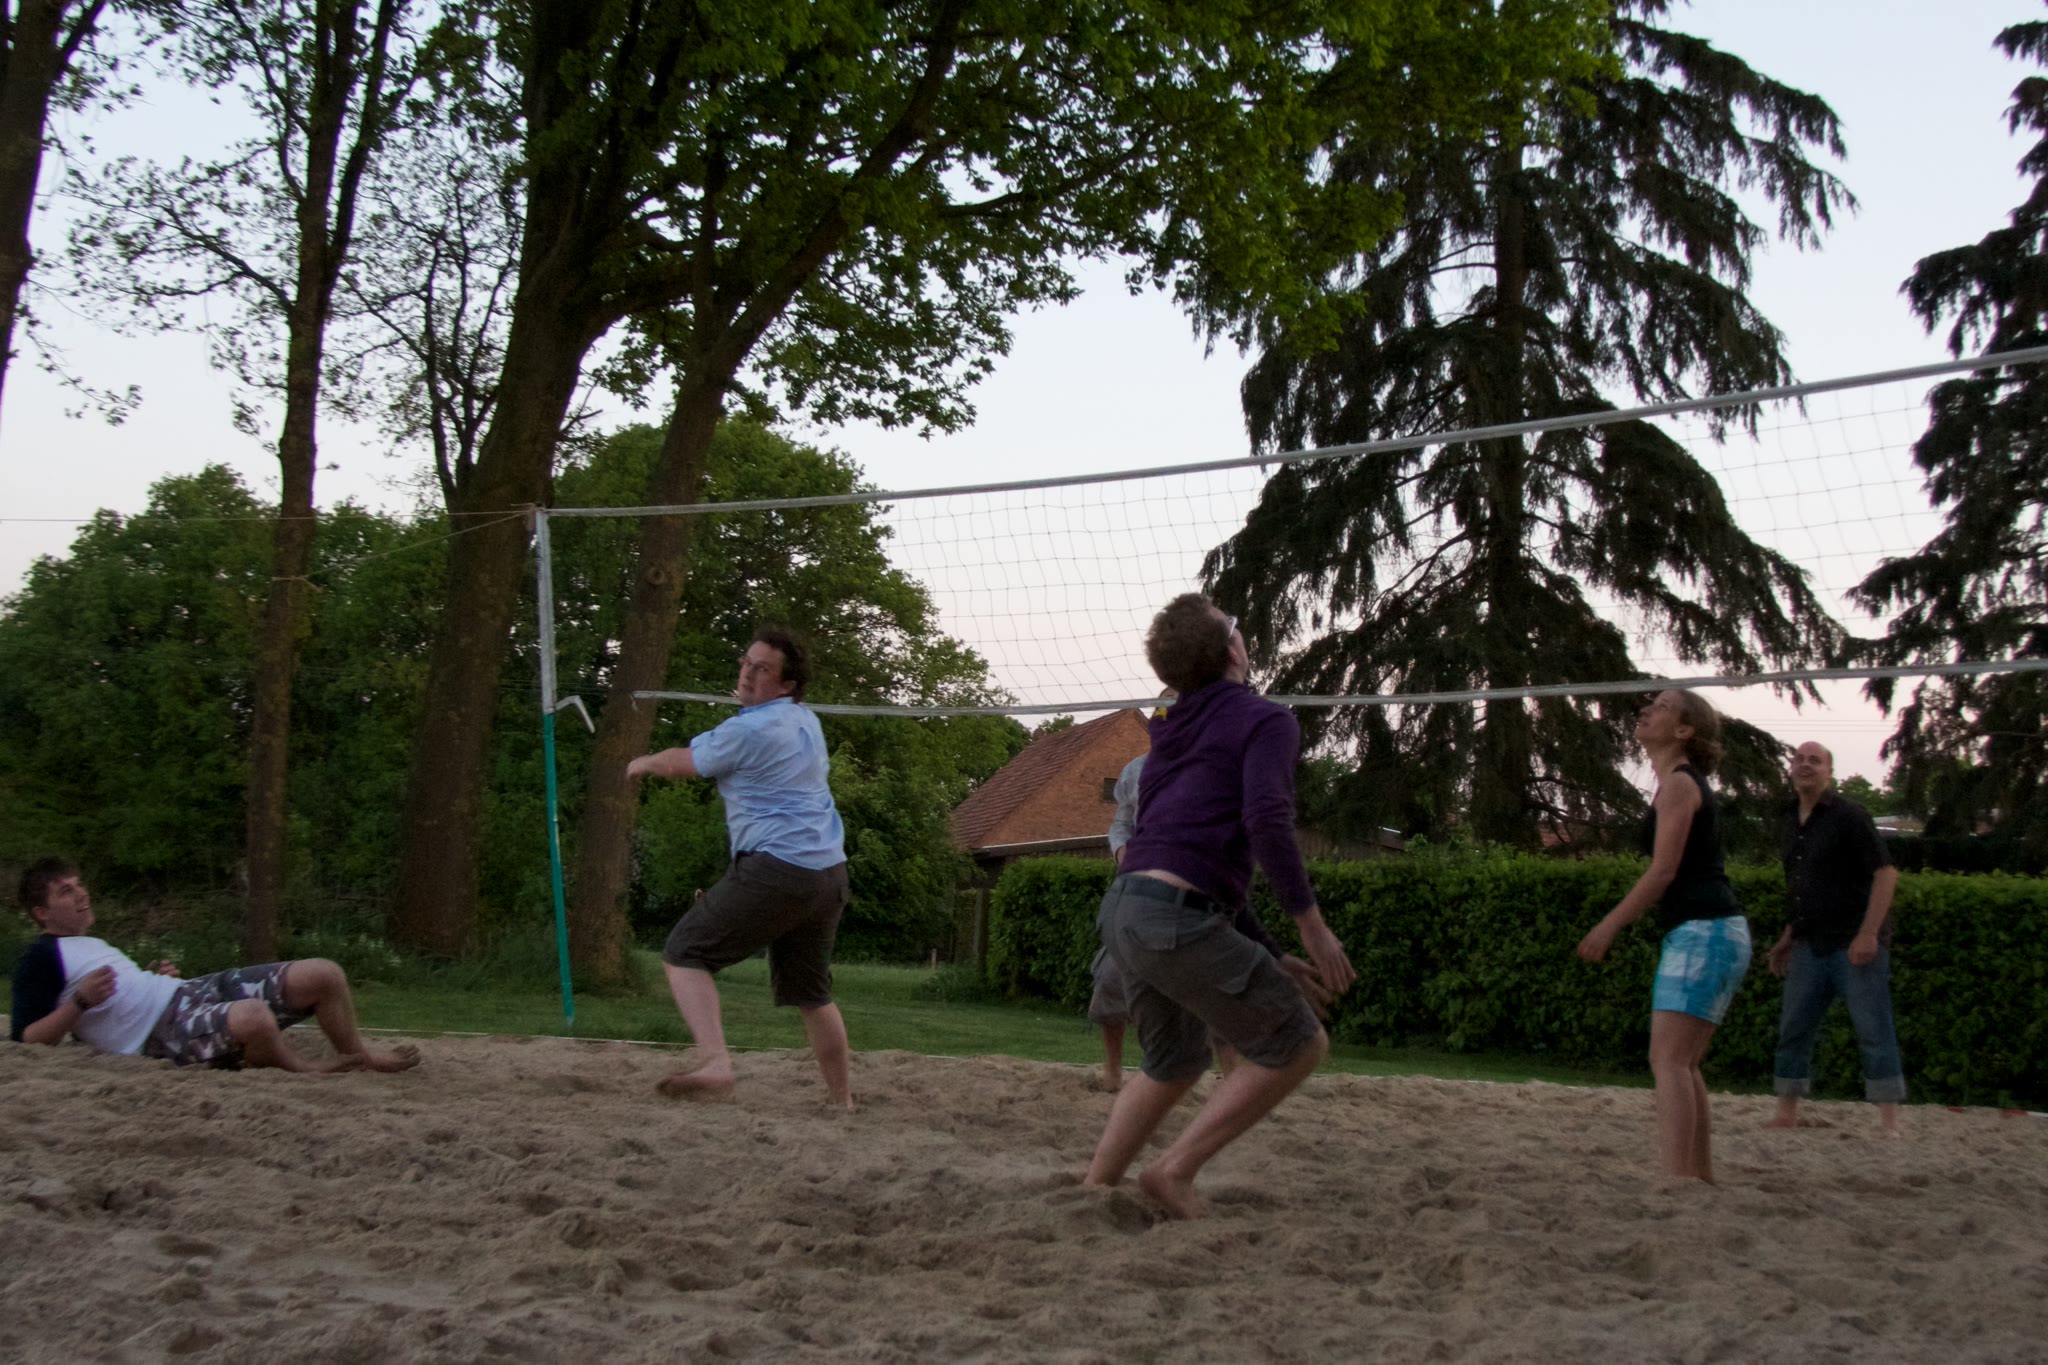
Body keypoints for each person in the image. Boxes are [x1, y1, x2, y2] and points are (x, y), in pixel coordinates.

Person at [1082, 594, 1357, 1219]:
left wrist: (1269, 952)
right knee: (1299, 1042)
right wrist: (1312, 927)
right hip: (1173, 917)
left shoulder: (1172, 731)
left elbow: (1209, 871)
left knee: (1173, 1063)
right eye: (1234, 625)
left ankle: (1095, 1187)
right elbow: (1267, 821)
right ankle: (1173, 1171)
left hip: (1126, 909)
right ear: (1233, 649)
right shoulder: (1266, 720)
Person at [627, 627, 854, 1109]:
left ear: (787, 684)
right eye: (746, 662)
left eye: (762, 669)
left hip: (779, 870)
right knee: (812, 995)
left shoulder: (750, 730)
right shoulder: (805, 720)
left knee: (684, 952)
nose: (748, 674)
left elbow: (682, 763)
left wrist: (642, 762)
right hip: (829, 875)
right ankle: (842, 1100)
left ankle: (716, 1063)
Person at [10, 859, 420, 1074]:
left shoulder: (91, 943)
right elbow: (27, 1039)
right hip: (159, 1035)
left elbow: (121, 996)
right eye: (66, 891)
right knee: (254, 1017)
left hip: (188, 993)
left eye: (79, 884)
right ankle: (307, 1069)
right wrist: (80, 1002)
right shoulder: (40, 957)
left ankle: (357, 1056)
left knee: (324, 973)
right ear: (42, 913)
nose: (82, 894)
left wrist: (155, 978)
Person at [1577, 689, 1751, 1182]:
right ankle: (1697, 1177)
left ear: (1684, 730)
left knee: (1669, 1061)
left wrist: (1609, 924)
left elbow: (1663, 870)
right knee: (1684, 1064)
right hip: (1717, 932)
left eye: (1662, 707)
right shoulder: (1679, 783)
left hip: (1704, 931)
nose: (1646, 710)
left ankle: (1679, 1179)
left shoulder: (1678, 784)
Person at [1764, 741, 1905, 1133]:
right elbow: (1802, 888)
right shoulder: (1789, 820)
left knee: (1874, 1029)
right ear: (1791, 769)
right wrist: (1788, 936)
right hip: (1809, 943)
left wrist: (1869, 933)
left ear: (1829, 772)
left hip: (1853, 943)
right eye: (1799, 759)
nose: (1805, 765)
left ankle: (1889, 1122)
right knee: (1794, 1029)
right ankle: (1786, 1113)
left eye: (1815, 760)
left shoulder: (1849, 816)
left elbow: (1886, 874)